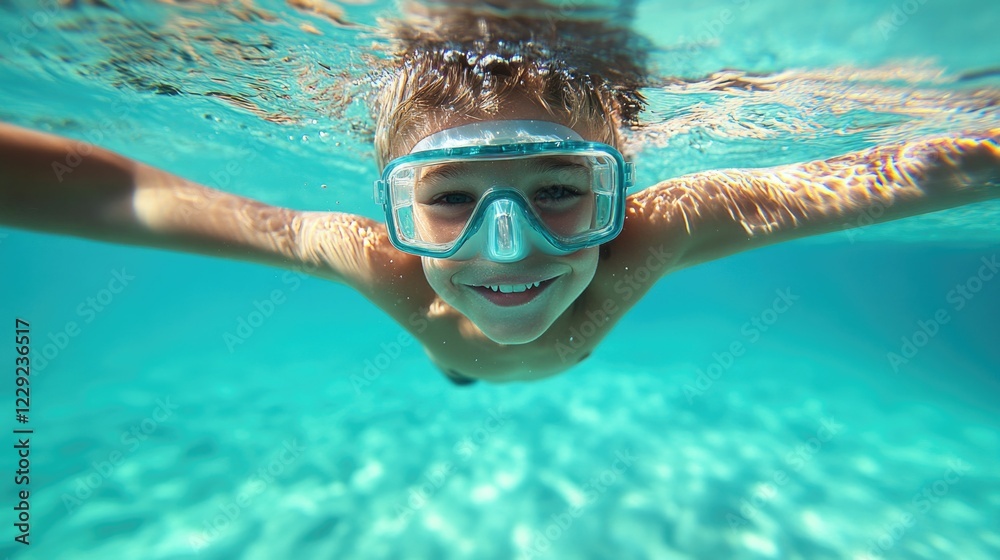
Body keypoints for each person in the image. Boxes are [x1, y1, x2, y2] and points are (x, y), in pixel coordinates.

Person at [1, 1, 997, 385]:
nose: (511, 247)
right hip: (459, 356)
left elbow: (900, 177)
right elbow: (128, 193)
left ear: (623, 187)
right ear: (387, 206)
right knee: (464, 367)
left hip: (467, 348)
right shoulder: (368, 255)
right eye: (449, 199)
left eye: (563, 189)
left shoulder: (664, 228)